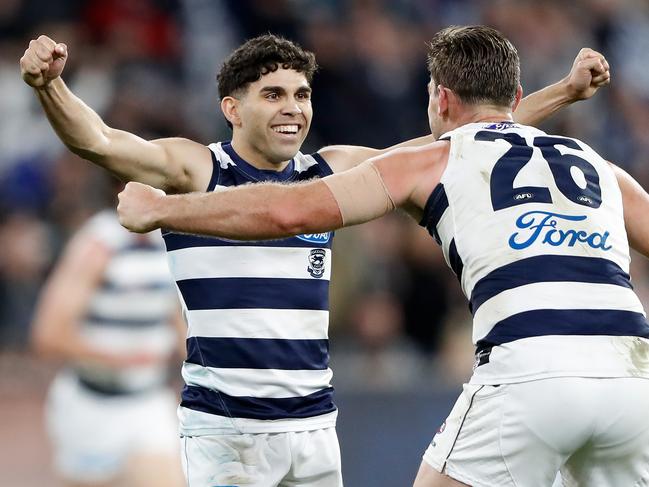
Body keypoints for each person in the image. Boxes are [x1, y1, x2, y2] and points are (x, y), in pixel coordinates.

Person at [21, 32, 610, 487]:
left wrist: (563, 91)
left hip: (315, 427)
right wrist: (51, 87)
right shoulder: (198, 169)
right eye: (273, 94)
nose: (292, 109)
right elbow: (97, 141)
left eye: (301, 95)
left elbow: (457, 144)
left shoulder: (326, 170)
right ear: (232, 108)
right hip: (228, 433)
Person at [30, 203, 186, 487]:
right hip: (92, 408)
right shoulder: (99, 244)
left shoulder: (166, 239)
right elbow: (48, 334)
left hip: (148, 402)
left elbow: (174, 313)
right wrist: (117, 359)